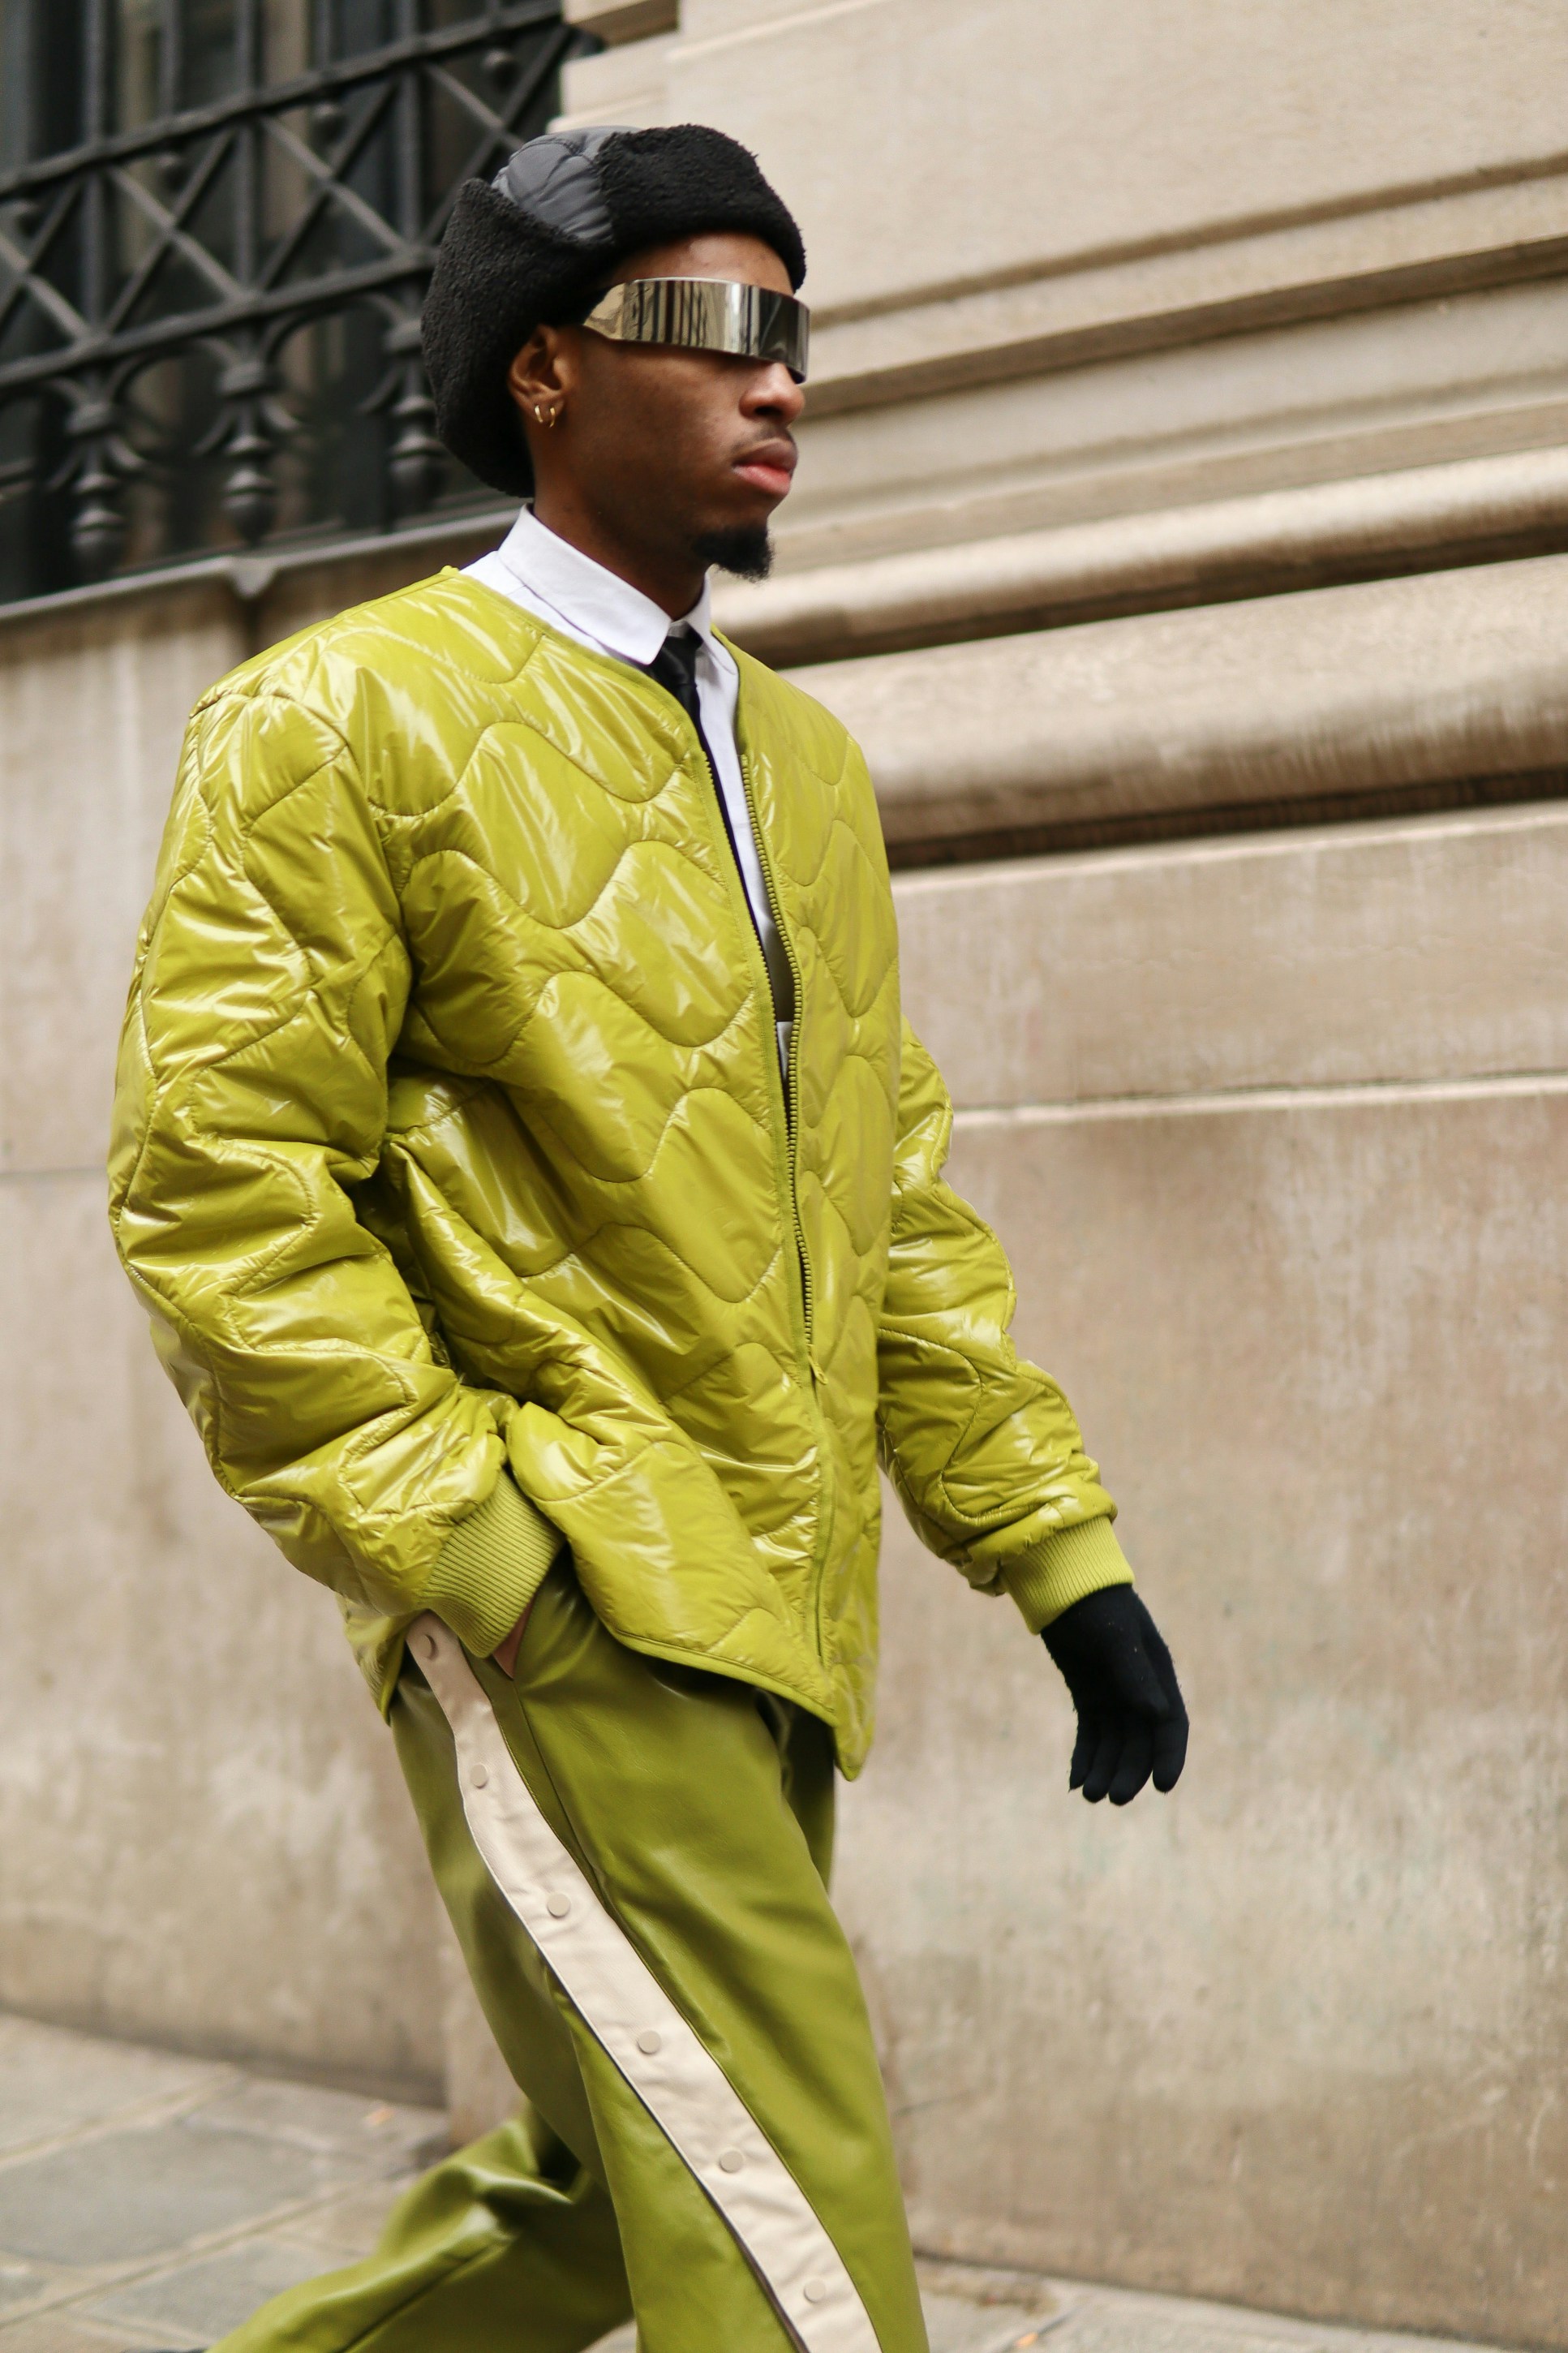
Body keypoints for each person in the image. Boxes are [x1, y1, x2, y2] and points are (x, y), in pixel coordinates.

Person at [110, 121, 1187, 2353]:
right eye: (709, 325)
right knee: (799, 2235)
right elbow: (218, 1186)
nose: (776, 378)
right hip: (572, 1592)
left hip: (784, 1604)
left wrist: (1055, 1553)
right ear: (541, 369)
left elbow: (887, 1200)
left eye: (796, 333)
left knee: (628, 2193)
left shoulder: (803, 765)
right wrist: (481, 1552)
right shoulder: (337, 715)